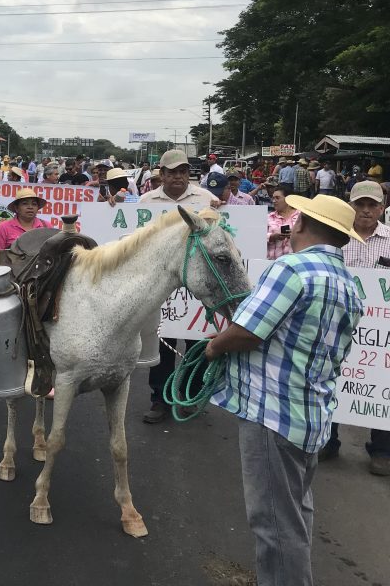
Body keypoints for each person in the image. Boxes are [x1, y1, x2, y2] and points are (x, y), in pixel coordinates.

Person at [206, 194, 363, 586]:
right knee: (294, 515)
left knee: (274, 525)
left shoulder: (291, 269)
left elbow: (248, 332)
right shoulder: (350, 284)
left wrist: (213, 346)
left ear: (301, 224)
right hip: (309, 416)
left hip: (271, 414)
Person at [141, 149, 218, 424]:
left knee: (198, 343)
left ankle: (190, 396)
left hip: (197, 282)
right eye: (172, 172)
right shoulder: (146, 201)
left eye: (183, 172)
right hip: (162, 283)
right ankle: (159, 399)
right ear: (161, 174)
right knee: (162, 342)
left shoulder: (207, 199)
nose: (178, 177)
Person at [321, 181, 390, 474]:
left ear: (383, 207)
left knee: (380, 384)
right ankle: (327, 440)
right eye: (359, 204)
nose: (365, 210)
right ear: (349, 205)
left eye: (372, 205)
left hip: (380, 334)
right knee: (331, 378)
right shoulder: (332, 238)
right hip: (335, 324)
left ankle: (383, 450)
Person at [0, 188, 50, 257]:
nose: (30, 207)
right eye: (25, 204)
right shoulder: (4, 228)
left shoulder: (46, 226)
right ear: (16, 208)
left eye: (34, 204)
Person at [266, 189, 299, 259]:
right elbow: (257, 237)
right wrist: (272, 236)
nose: (274, 201)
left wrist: (294, 235)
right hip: (272, 262)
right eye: (273, 198)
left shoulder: (300, 216)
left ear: (288, 199)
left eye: (277, 198)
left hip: (294, 262)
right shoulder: (268, 217)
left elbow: (308, 236)